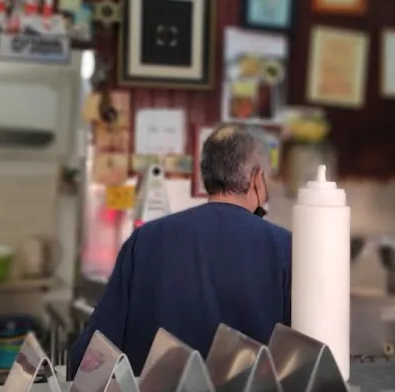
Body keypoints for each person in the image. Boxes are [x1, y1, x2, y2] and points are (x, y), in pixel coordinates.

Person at [68, 124, 292, 376]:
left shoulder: (146, 239)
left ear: (206, 175)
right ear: (256, 178)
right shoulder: (284, 247)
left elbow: (94, 354)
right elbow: (301, 358)